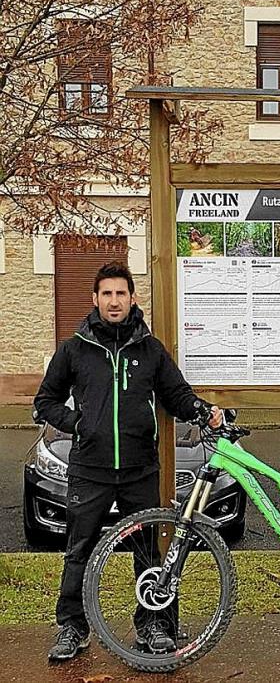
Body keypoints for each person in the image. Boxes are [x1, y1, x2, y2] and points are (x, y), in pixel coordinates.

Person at [35, 261, 223, 663]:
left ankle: (155, 627)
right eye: (107, 294)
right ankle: (72, 628)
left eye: (121, 293)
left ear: (133, 298)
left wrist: (203, 410)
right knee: (79, 551)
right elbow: (45, 402)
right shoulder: (74, 349)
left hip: (140, 469)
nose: (114, 301)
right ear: (95, 299)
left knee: (152, 553)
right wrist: (77, 423)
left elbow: (178, 394)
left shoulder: (150, 349)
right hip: (90, 470)